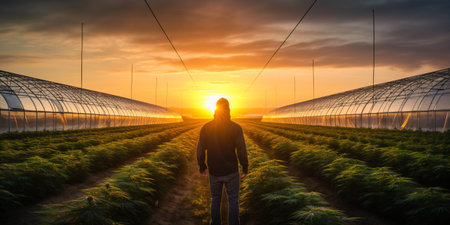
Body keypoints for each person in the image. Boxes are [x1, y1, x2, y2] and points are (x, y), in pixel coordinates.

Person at [197, 97, 249, 225]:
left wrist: (202, 166)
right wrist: (245, 166)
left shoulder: (206, 128)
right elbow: (242, 149)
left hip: (214, 171)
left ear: (216, 109)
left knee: (215, 199)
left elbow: (200, 149)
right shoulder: (236, 128)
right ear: (228, 110)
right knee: (233, 200)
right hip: (231, 171)